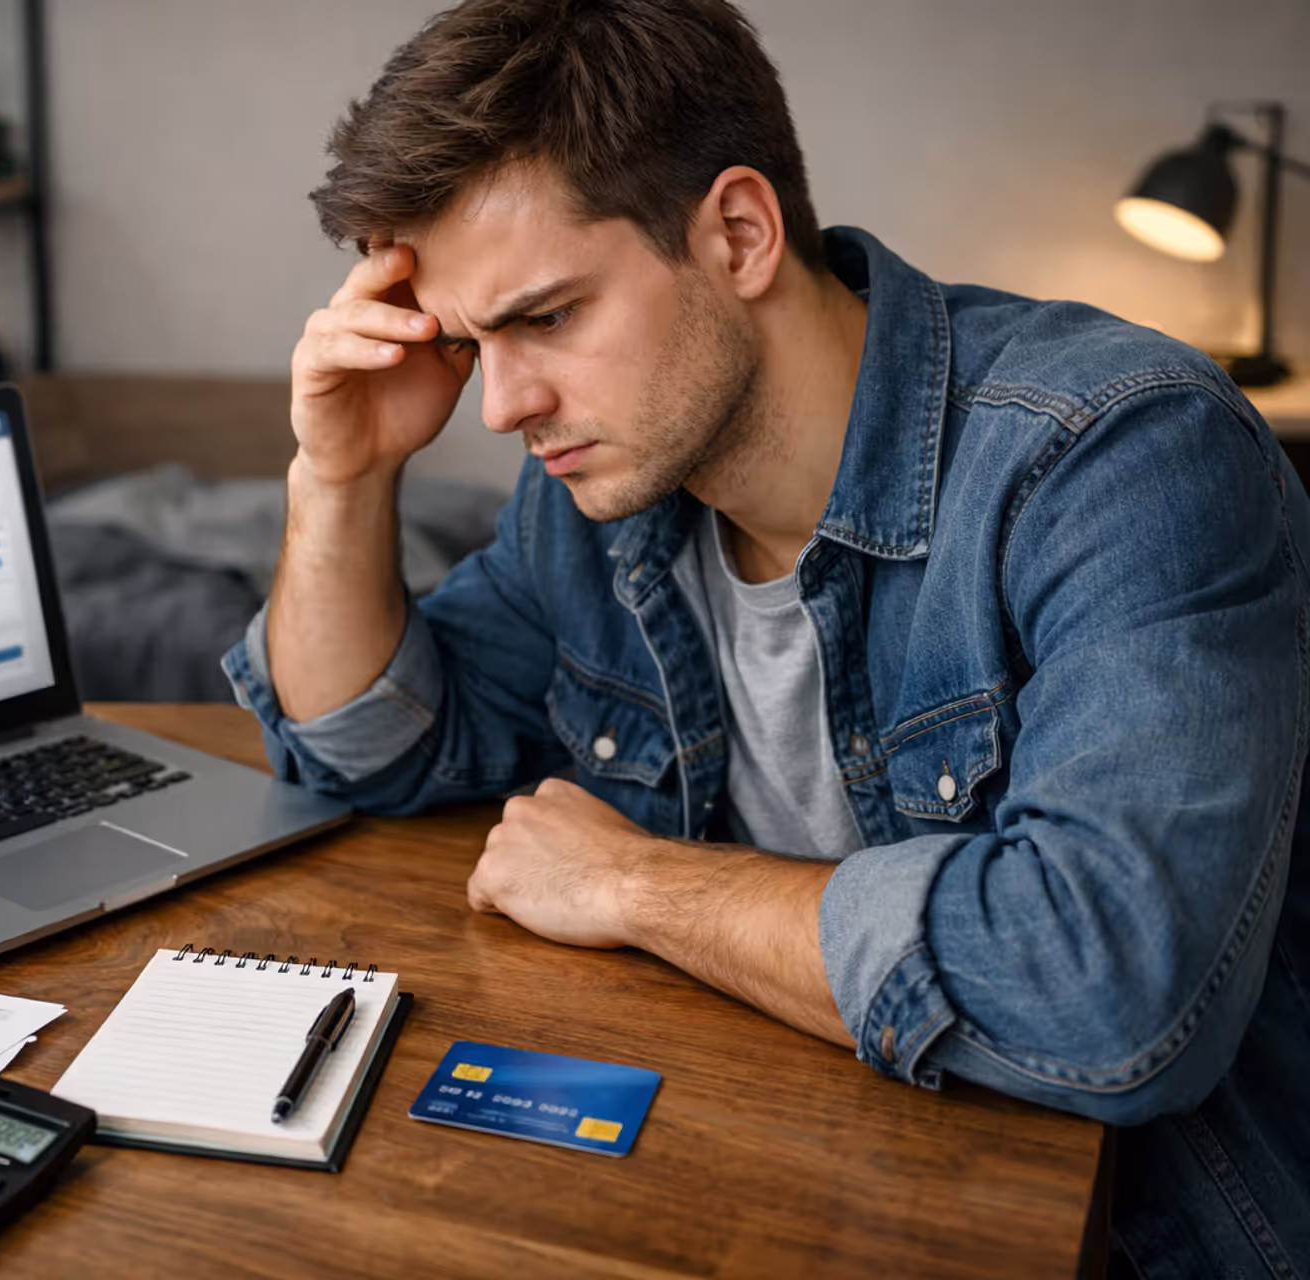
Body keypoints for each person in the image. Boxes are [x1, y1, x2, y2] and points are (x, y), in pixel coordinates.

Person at [219, 0, 1310, 1273]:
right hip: (790, 1194)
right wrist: (337, 477)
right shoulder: (595, 496)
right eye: (472, 343)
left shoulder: (1118, 455)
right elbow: (371, 747)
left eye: (548, 317)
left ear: (740, 232)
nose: (502, 404)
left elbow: (1108, 986)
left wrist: (631, 884)